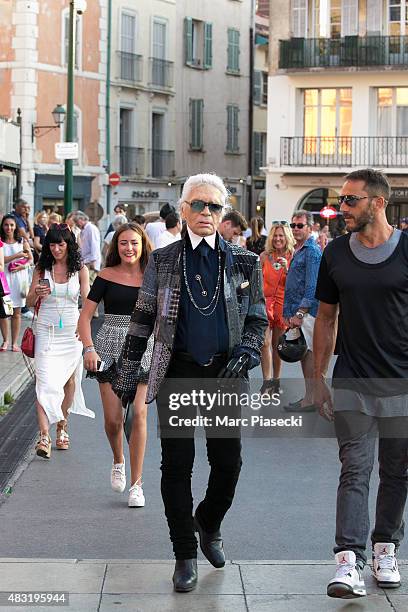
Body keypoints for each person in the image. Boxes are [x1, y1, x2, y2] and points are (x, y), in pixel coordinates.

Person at [113, 173, 267, 593]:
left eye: (214, 207)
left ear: (223, 212)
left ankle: (208, 524)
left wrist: (249, 352)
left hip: (225, 374)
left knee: (228, 464)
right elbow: (142, 319)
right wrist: (126, 377)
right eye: (198, 205)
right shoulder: (163, 261)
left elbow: (257, 318)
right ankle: (184, 553)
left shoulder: (244, 260)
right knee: (177, 465)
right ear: (183, 209)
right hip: (178, 370)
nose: (206, 213)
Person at [314, 169, 408, 599]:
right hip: (352, 376)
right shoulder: (334, 254)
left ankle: (385, 548)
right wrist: (317, 379)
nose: (342, 208)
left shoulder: (407, 250)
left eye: (351, 201)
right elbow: (327, 317)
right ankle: (348, 561)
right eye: (342, 200)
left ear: (377, 203)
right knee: (355, 468)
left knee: (397, 471)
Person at [77, 223, 153, 507]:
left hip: (144, 346)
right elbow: (85, 317)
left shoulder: (153, 277)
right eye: (124, 243)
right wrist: (89, 348)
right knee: (113, 421)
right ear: (116, 246)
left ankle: (137, 485)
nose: (129, 248)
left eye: (134, 243)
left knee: (140, 417)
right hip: (108, 345)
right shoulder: (106, 276)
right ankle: (118, 460)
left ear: (143, 244)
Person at [26, 223, 94, 459]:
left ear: (69, 245)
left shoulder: (80, 270)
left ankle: (62, 427)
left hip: (71, 333)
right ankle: (44, 436)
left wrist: (85, 329)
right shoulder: (42, 268)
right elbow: (28, 300)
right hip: (46, 331)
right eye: (52, 244)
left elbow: (87, 301)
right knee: (44, 383)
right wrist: (37, 293)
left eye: (61, 244)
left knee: (69, 383)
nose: (56, 249)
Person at [282, 209, 322, 412]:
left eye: (300, 226)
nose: (295, 229)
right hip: (298, 312)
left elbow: (312, 286)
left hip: (306, 313)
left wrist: (300, 313)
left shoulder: (312, 251)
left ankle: (311, 399)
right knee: (304, 355)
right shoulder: (299, 249)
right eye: (293, 225)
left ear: (310, 227)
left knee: (309, 356)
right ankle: (310, 397)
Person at [259, 222, 295, 395]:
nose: (278, 238)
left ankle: (276, 381)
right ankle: (266, 382)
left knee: (277, 345)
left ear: (286, 237)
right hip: (265, 303)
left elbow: (294, 285)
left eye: (281, 235)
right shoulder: (264, 256)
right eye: (275, 235)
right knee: (264, 343)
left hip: (282, 303)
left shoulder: (292, 255)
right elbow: (257, 281)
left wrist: (288, 269)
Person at [0, 215, 33, 352]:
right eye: (6, 225)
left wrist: (21, 266)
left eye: (12, 225)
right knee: (4, 313)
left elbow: (31, 260)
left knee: (17, 313)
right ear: (2, 226)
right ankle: (5, 341)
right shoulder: (1, 242)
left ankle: (14, 343)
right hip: (4, 282)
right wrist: (18, 255)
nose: (9, 228)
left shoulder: (22, 241)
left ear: (15, 227)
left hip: (19, 281)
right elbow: (2, 260)